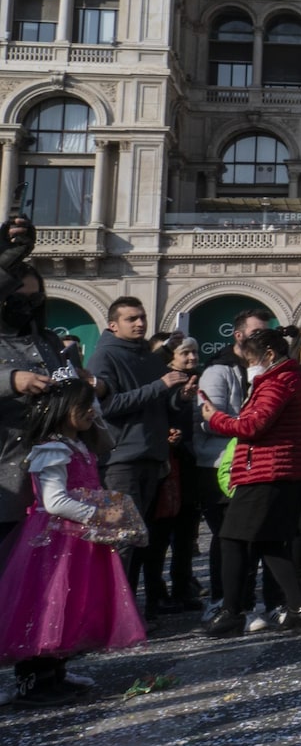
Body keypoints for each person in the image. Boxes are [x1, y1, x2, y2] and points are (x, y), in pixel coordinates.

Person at [0, 374, 146, 702]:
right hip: (54, 541)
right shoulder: (52, 448)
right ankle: (35, 681)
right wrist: (102, 516)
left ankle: (57, 672)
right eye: (84, 406)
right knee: (47, 604)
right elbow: (54, 501)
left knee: (70, 603)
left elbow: (105, 441)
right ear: (65, 409)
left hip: (75, 538)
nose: (91, 411)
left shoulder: (77, 443)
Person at [199, 327, 301, 637]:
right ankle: (298, 607)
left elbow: (253, 425)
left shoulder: (278, 381)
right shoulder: (290, 378)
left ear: (269, 355)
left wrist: (215, 418)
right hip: (280, 469)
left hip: (266, 470)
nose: (249, 365)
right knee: (269, 541)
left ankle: (231, 611)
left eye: (251, 359)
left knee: (232, 538)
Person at [87, 296, 193, 596]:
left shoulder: (147, 356)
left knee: (137, 538)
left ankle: (128, 611)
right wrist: (159, 385)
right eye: (131, 318)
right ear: (112, 324)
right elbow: (106, 406)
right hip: (120, 461)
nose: (140, 323)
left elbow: (157, 403)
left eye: (142, 317)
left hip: (151, 457)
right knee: (118, 540)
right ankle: (109, 616)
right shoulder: (104, 357)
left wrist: (179, 397)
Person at [140, 335, 206, 618]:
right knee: (158, 537)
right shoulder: (162, 384)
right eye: (185, 353)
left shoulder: (202, 381)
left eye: (194, 352)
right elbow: (167, 410)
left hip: (189, 467)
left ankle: (183, 585)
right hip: (165, 470)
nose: (192, 358)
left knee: (186, 533)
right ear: (170, 359)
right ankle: (155, 593)